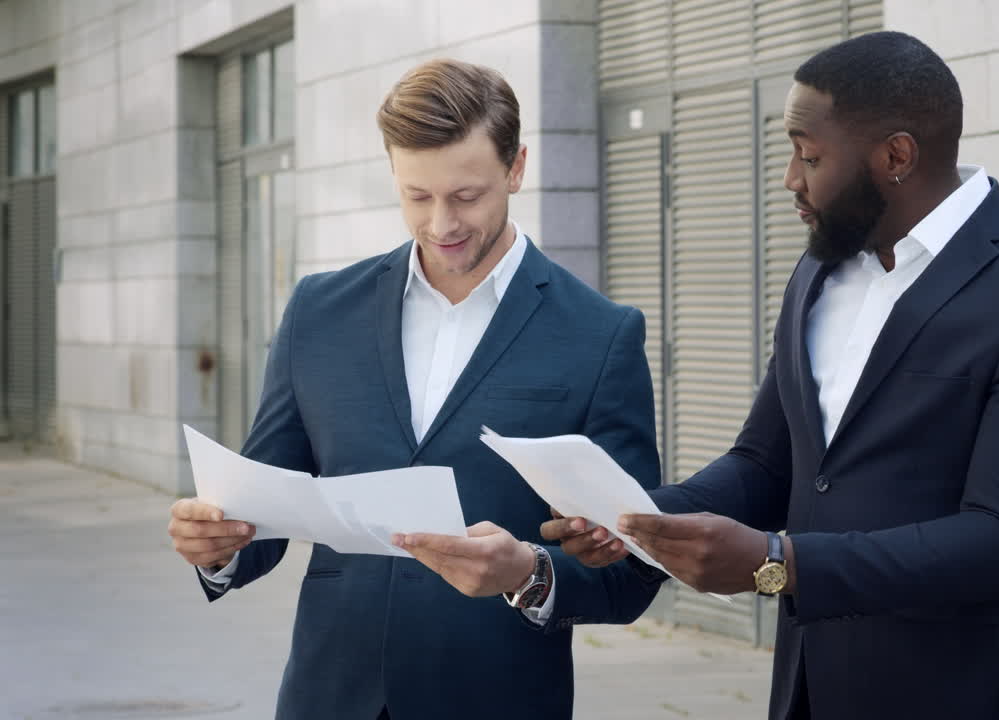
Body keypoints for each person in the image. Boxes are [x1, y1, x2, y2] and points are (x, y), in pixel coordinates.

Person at [547, 31, 999, 719]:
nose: (791, 178)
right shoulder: (819, 269)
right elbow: (767, 464)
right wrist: (638, 519)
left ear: (896, 156)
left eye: (809, 155)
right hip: (809, 690)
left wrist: (779, 562)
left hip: (969, 693)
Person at [166, 58, 660, 720]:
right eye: (416, 196)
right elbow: (267, 502)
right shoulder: (319, 311)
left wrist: (529, 572)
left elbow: (633, 567)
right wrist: (220, 544)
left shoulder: (601, 335)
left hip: (496, 696)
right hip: (328, 694)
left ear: (516, 168)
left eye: (466, 196)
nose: (440, 226)